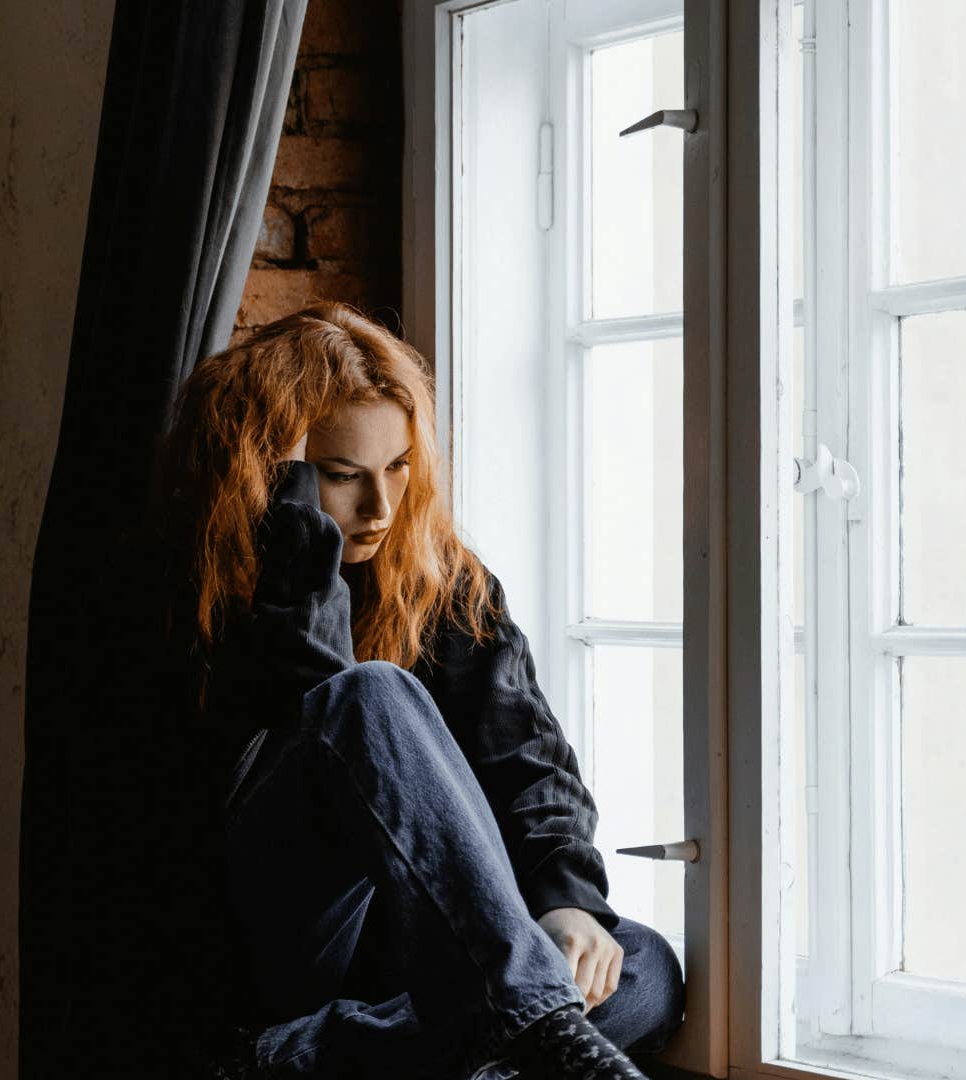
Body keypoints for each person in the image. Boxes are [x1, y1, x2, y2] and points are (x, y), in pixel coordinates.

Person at [128, 301, 686, 1079]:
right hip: (280, 947)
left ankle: (308, 1063)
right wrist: (296, 542)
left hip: (420, 969)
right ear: (269, 472)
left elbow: (527, 760)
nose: (380, 508)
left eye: (397, 468)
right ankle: (499, 1034)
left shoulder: (440, 579)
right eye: (339, 475)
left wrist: (568, 904)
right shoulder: (193, 589)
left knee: (642, 966)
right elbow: (313, 718)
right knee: (367, 697)